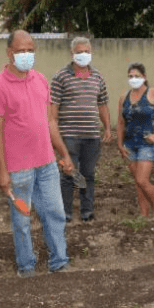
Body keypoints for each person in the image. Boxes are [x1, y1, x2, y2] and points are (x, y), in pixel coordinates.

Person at [0, 30, 73, 278]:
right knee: (22, 219)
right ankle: (26, 266)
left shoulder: (41, 80)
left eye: (30, 50)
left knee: (54, 213)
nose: (26, 55)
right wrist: (2, 171)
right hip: (18, 171)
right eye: (21, 50)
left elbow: (50, 122)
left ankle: (59, 261)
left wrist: (64, 153)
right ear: (9, 53)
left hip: (46, 164)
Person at [50, 37, 111, 223]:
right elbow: (53, 110)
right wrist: (53, 132)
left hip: (92, 136)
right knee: (68, 174)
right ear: (72, 53)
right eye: (79, 51)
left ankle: (86, 211)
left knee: (88, 175)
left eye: (86, 51)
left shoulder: (97, 77)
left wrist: (107, 127)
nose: (83, 55)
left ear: (91, 52)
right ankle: (65, 212)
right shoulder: (61, 76)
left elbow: (102, 104)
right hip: (68, 136)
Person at [116, 63, 154, 217]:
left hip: (147, 143)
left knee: (142, 180)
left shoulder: (153, 94)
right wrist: (120, 144)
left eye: (137, 76)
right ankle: (143, 214)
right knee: (138, 183)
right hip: (129, 144)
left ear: (144, 77)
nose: (133, 79)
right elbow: (121, 123)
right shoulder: (124, 97)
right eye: (130, 76)